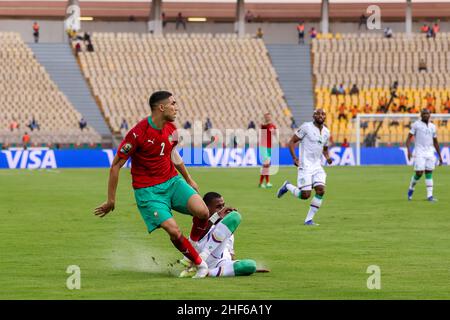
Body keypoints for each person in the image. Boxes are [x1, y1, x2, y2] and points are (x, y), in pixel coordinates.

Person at [94, 91, 211, 278]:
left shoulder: (172, 129)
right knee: (173, 229)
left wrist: (188, 179)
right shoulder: (137, 134)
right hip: (149, 192)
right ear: (161, 107)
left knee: (203, 212)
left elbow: (172, 154)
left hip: (172, 182)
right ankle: (201, 265)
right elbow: (116, 165)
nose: (176, 107)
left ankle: (192, 251)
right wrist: (111, 200)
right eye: (173, 103)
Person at [179, 192, 270, 278]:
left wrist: (238, 267)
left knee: (250, 265)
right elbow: (198, 237)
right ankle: (202, 259)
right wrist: (217, 216)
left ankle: (207, 272)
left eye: (223, 205)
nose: (222, 209)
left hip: (218, 262)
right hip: (199, 256)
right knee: (235, 216)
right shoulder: (200, 221)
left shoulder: (226, 227)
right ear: (206, 207)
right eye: (218, 207)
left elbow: (230, 253)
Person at [277, 109, 332, 226]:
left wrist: (327, 157)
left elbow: (325, 148)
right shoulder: (306, 127)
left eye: (323, 114)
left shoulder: (327, 132)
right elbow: (291, 142)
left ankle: (309, 220)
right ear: (313, 116)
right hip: (305, 165)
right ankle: (287, 186)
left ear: (325, 116)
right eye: (318, 113)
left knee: (321, 190)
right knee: (305, 195)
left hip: (317, 166)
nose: (320, 116)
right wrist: (294, 158)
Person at [406, 109, 443, 202]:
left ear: (430, 115)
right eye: (424, 114)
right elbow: (408, 138)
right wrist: (408, 150)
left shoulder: (432, 126)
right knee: (419, 173)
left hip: (430, 152)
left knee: (429, 172)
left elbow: (435, 141)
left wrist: (440, 156)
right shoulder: (416, 125)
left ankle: (430, 196)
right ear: (421, 115)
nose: (426, 115)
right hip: (419, 152)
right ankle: (411, 187)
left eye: (427, 113)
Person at [259, 112, 277, 189]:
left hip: (270, 147)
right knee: (266, 165)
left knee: (267, 165)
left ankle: (261, 183)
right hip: (263, 146)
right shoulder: (264, 126)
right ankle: (267, 182)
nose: (268, 118)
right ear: (265, 118)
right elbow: (262, 126)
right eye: (266, 117)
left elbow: (275, 133)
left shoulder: (273, 126)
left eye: (269, 117)